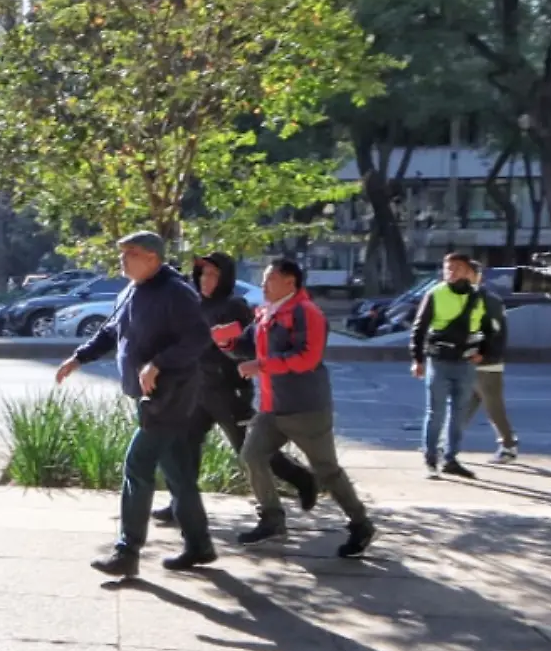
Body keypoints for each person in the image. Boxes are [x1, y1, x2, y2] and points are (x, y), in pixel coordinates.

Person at [55, 232, 214, 578]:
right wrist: (78, 359)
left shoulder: (176, 292)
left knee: (137, 466)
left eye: (131, 254)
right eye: (122, 253)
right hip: (147, 395)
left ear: (153, 259)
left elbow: (199, 338)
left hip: (171, 395)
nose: (123, 260)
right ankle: (200, 545)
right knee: (178, 473)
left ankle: (128, 551)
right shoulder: (131, 290)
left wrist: (159, 363)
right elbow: (112, 332)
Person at [217, 258, 377, 559]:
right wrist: (226, 342)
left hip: (306, 409)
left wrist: (261, 365)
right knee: (251, 456)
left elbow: (307, 358)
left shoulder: (308, 313)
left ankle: (360, 523)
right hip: (271, 408)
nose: (263, 286)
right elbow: (247, 346)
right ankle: (272, 518)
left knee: (327, 470)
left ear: (290, 282)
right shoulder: (267, 313)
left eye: (269, 279)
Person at [154, 253, 316, 529]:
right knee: (184, 447)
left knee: (250, 450)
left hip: (230, 394)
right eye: (203, 274)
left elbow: (248, 348)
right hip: (197, 392)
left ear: (225, 277)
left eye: (213, 275)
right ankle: (180, 503)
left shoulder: (235, 306)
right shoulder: (194, 305)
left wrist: (224, 342)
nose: (206, 280)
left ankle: (302, 478)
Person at [411, 252, 486, 480]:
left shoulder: (478, 297)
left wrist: (484, 352)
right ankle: (431, 458)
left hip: (465, 361)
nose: (451, 273)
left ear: (467, 271)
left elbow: (489, 328)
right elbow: (419, 328)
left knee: (459, 413)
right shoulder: (435, 294)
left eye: (456, 268)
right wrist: (418, 360)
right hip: (439, 360)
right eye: (447, 268)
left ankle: (451, 458)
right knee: (436, 412)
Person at [468, 262, 518, 464]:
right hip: (469, 360)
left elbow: (496, 332)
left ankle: (508, 445)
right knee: (464, 405)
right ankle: (445, 441)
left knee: (493, 406)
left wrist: (485, 353)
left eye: (465, 272)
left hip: (486, 362)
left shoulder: (489, 300)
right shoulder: (464, 298)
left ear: (478, 276)